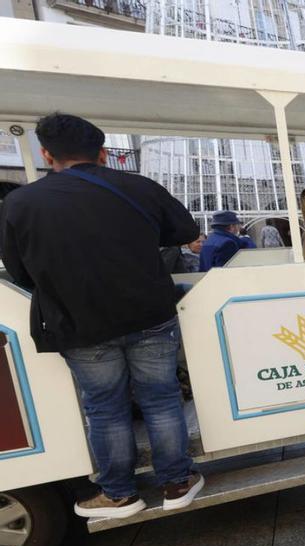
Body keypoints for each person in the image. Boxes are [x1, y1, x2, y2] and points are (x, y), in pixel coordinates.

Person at [0, 113, 203, 518]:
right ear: (103, 153)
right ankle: (177, 482)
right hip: (149, 314)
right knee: (161, 399)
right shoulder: (139, 187)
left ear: (46, 153)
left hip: (79, 324)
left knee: (104, 408)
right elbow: (184, 230)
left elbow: (21, 272)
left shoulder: (19, 203)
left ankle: (119, 494)